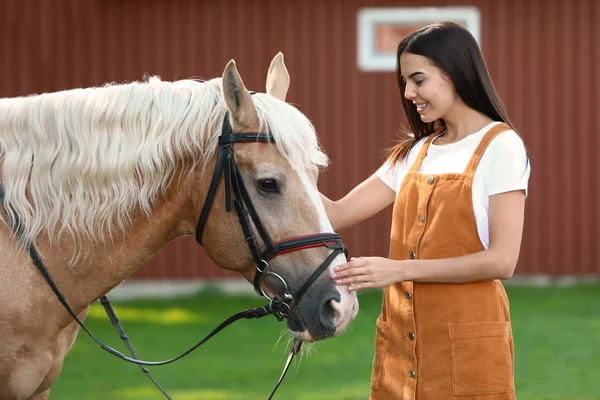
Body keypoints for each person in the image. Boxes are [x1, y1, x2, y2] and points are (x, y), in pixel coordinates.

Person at [320, 22, 530, 399]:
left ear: (455, 73)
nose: (408, 93)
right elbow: (334, 214)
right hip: (401, 351)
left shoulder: (502, 146)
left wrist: (398, 270)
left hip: (468, 351)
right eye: (404, 81)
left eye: (418, 80)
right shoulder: (415, 152)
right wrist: (277, 141)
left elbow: (502, 261)